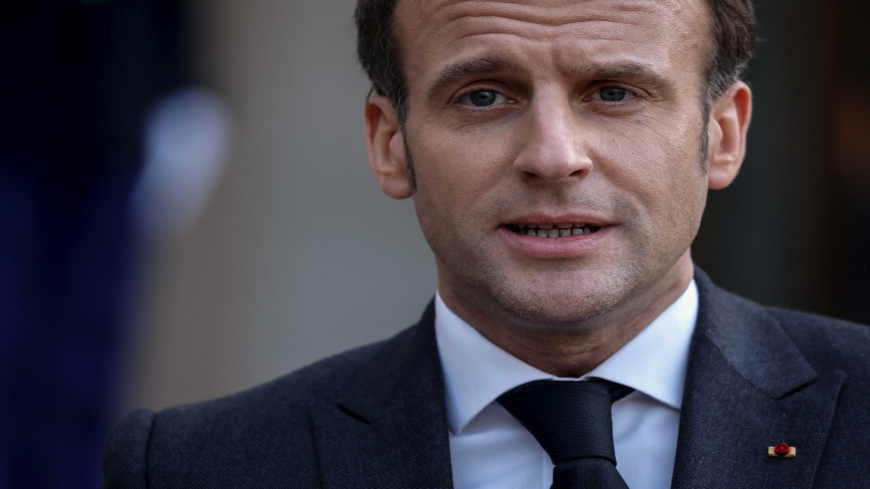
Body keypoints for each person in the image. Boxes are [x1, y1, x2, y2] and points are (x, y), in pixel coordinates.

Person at [102, 0, 870, 487]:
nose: (552, 153)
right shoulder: (200, 466)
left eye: (614, 92)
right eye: (483, 95)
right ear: (390, 144)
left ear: (723, 135)